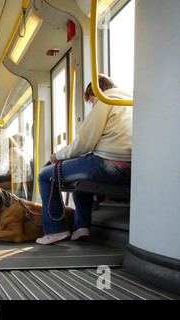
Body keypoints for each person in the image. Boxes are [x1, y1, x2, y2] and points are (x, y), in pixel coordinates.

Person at [36, 74, 132, 245]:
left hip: (106, 162)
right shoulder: (130, 102)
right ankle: (81, 228)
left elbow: (84, 142)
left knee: (45, 175)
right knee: (80, 176)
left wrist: (58, 156)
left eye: (91, 101)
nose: (92, 105)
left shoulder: (105, 100)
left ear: (99, 90)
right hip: (128, 167)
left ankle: (56, 229)